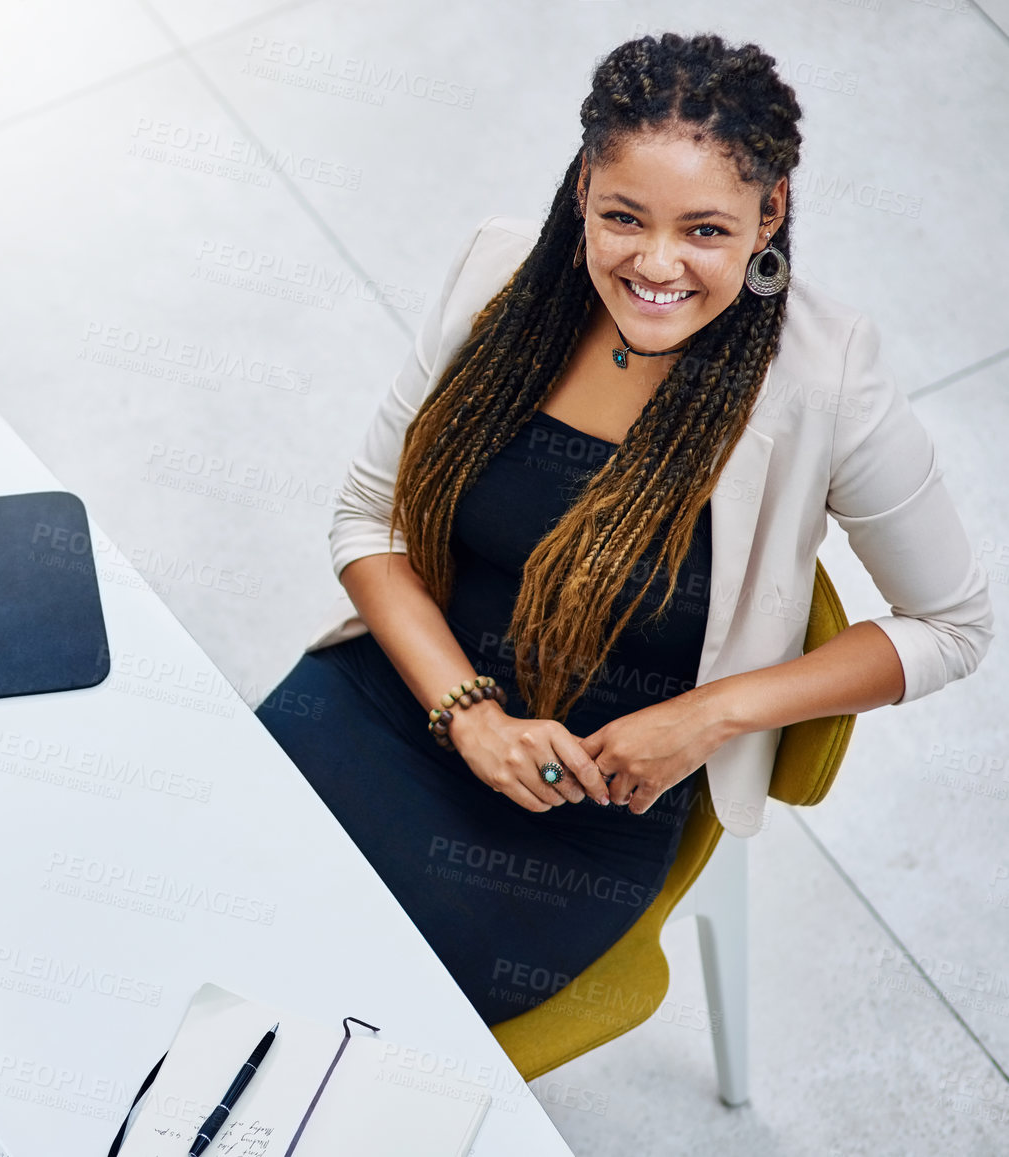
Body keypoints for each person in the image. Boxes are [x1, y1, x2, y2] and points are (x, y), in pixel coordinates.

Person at [255, 32, 993, 1027]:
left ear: (768, 212)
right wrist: (468, 713)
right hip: (405, 695)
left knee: (347, 1008)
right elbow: (369, 517)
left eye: (703, 230)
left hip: (588, 807)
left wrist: (709, 714)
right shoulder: (498, 272)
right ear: (580, 194)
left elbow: (951, 625)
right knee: (213, 881)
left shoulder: (829, 377)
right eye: (621, 217)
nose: (655, 264)